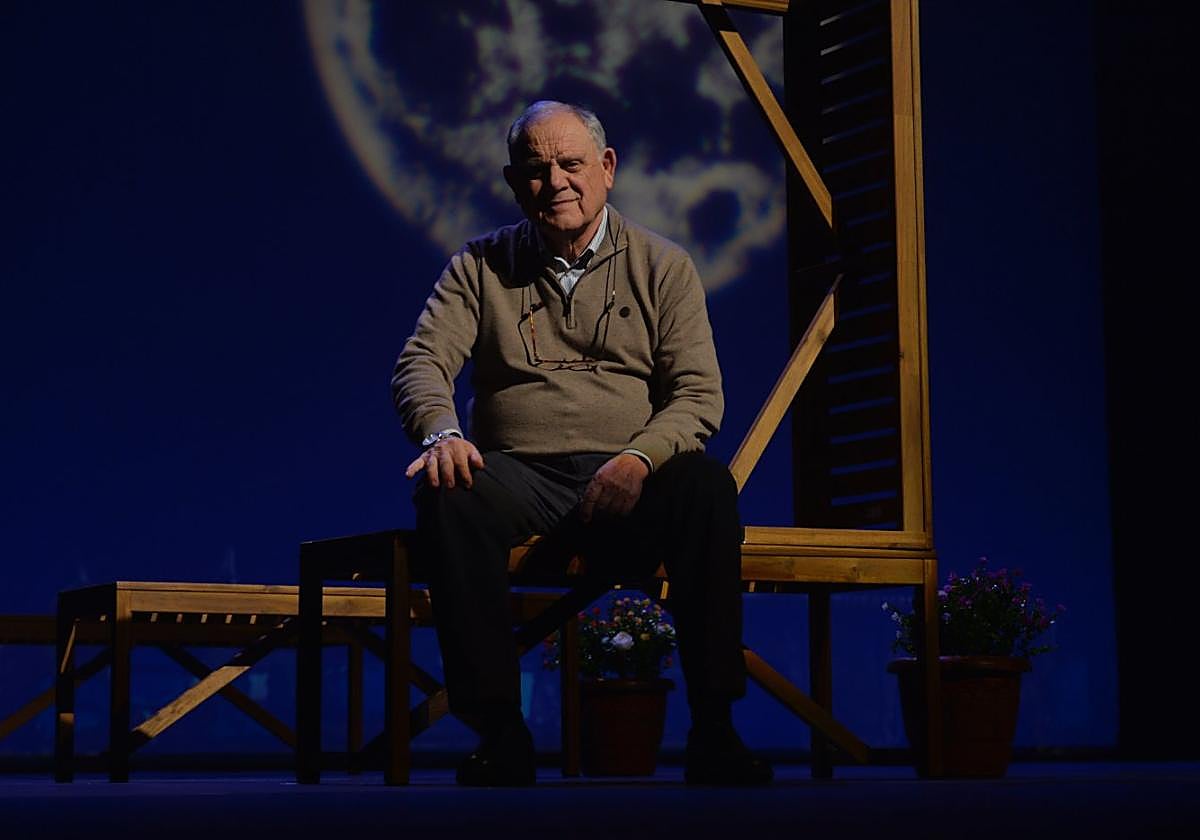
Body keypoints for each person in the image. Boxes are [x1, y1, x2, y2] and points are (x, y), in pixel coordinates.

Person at [392, 100, 772, 787]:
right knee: (450, 494)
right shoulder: (479, 266)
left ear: (606, 169)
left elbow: (698, 395)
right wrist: (442, 432)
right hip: (520, 478)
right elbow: (420, 362)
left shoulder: (664, 264)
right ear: (513, 183)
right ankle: (499, 734)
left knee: (707, 489)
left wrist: (638, 458)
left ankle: (716, 729)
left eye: (571, 164)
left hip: (629, 479)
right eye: (536, 170)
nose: (556, 182)